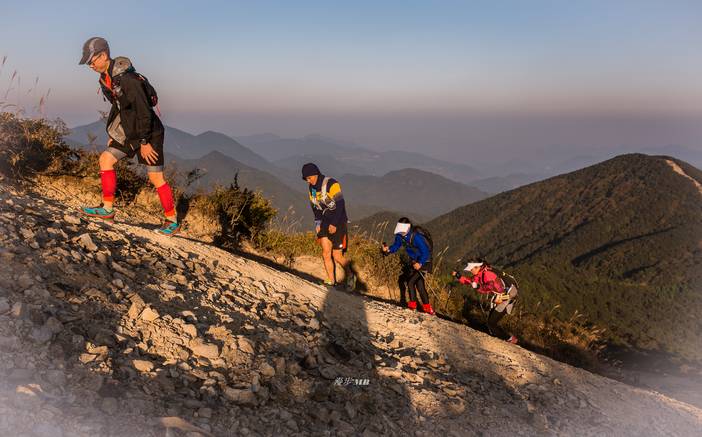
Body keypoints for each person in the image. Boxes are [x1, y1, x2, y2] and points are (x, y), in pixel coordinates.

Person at [78, 37, 180, 235]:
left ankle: (172, 221)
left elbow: (144, 112)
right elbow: (118, 107)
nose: (90, 65)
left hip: (149, 133)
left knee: (155, 177)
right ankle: (107, 210)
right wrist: (114, 133)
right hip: (128, 131)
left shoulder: (129, 80)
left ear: (103, 55)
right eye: (88, 62)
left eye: (92, 60)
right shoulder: (105, 79)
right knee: (106, 159)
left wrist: (144, 142)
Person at [302, 163, 357, 290]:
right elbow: (315, 207)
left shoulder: (332, 183)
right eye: (306, 179)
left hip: (339, 222)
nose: (307, 181)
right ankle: (331, 281)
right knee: (326, 253)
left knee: (337, 256)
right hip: (324, 222)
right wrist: (317, 223)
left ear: (315, 174)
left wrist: (334, 223)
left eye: (309, 178)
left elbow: (340, 204)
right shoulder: (312, 188)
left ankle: (351, 275)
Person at [452, 260, 518, 344]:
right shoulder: (480, 274)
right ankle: (501, 337)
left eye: (471, 269)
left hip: (508, 297)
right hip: (501, 296)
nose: (471, 271)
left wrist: (478, 287)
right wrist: (459, 276)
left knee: (491, 323)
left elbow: (492, 287)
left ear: (477, 267)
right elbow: (471, 282)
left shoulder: (487, 274)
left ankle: (510, 339)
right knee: (491, 322)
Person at [382, 218, 435, 315]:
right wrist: (388, 249)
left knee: (410, 282)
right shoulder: (399, 236)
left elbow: (426, 252)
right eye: (400, 230)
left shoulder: (416, 237)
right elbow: (396, 246)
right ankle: (428, 309)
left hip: (425, 261)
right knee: (420, 285)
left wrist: (420, 263)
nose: (401, 232)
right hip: (414, 261)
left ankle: (412, 306)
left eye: (403, 230)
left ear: (408, 227)